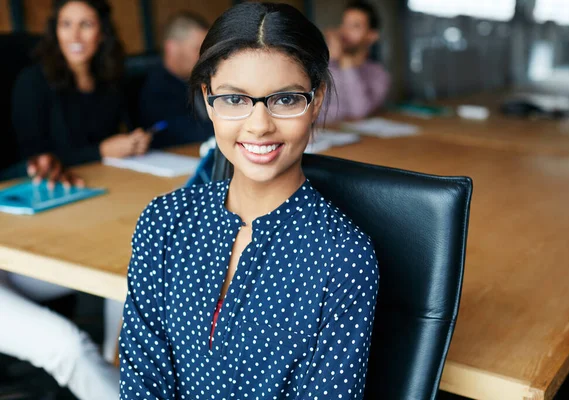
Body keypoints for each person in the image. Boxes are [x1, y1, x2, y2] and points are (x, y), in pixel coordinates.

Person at [119, 2, 379, 399]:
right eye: (235, 99)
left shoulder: (343, 257)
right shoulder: (163, 221)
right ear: (208, 99)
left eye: (286, 99)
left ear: (317, 99)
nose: (259, 126)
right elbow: (141, 384)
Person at [0, 153, 119, 400]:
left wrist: (32, 169)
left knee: (126, 264)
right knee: (69, 348)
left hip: (7, 257)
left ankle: (113, 365)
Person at [11, 0, 151, 167]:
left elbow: (129, 129)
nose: (74, 36)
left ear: (102, 33)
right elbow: (35, 159)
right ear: (55, 31)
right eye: (66, 24)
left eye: (86, 24)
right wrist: (100, 152)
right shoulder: (32, 82)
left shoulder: (112, 80)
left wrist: (136, 141)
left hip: (112, 176)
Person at [138, 11, 214, 149]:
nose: (205, 57)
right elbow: (180, 134)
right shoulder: (155, 88)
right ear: (172, 48)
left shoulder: (206, 78)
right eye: (197, 49)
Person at [325, 1, 390, 122]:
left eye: (355, 26)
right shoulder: (325, 66)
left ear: (372, 36)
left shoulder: (378, 74)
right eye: (344, 24)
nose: (345, 31)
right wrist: (328, 59)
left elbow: (359, 111)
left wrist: (348, 65)